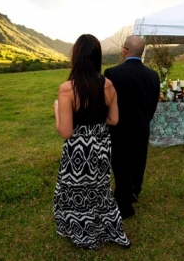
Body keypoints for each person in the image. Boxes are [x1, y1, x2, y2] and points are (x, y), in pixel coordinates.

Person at [53, 34, 131, 250]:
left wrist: (57, 111)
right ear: (97, 57)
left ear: (75, 56)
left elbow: (66, 132)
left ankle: (81, 232)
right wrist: (95, 125)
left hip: (79, 150)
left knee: (76, 191)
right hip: (102, 147)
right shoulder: (108, 85)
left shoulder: (67, 89)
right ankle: (106, 227)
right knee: (100, 190)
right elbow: (114, 119)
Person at [104, 35, 160, 219]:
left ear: (125, 51)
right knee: (138, 161)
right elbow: (153, 104)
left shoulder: (112, 73)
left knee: (120, 164)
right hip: (142, 127)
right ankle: (135, 190)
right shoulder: (153, 76)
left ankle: (124, 202)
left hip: (119, 129)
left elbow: (108, 103)